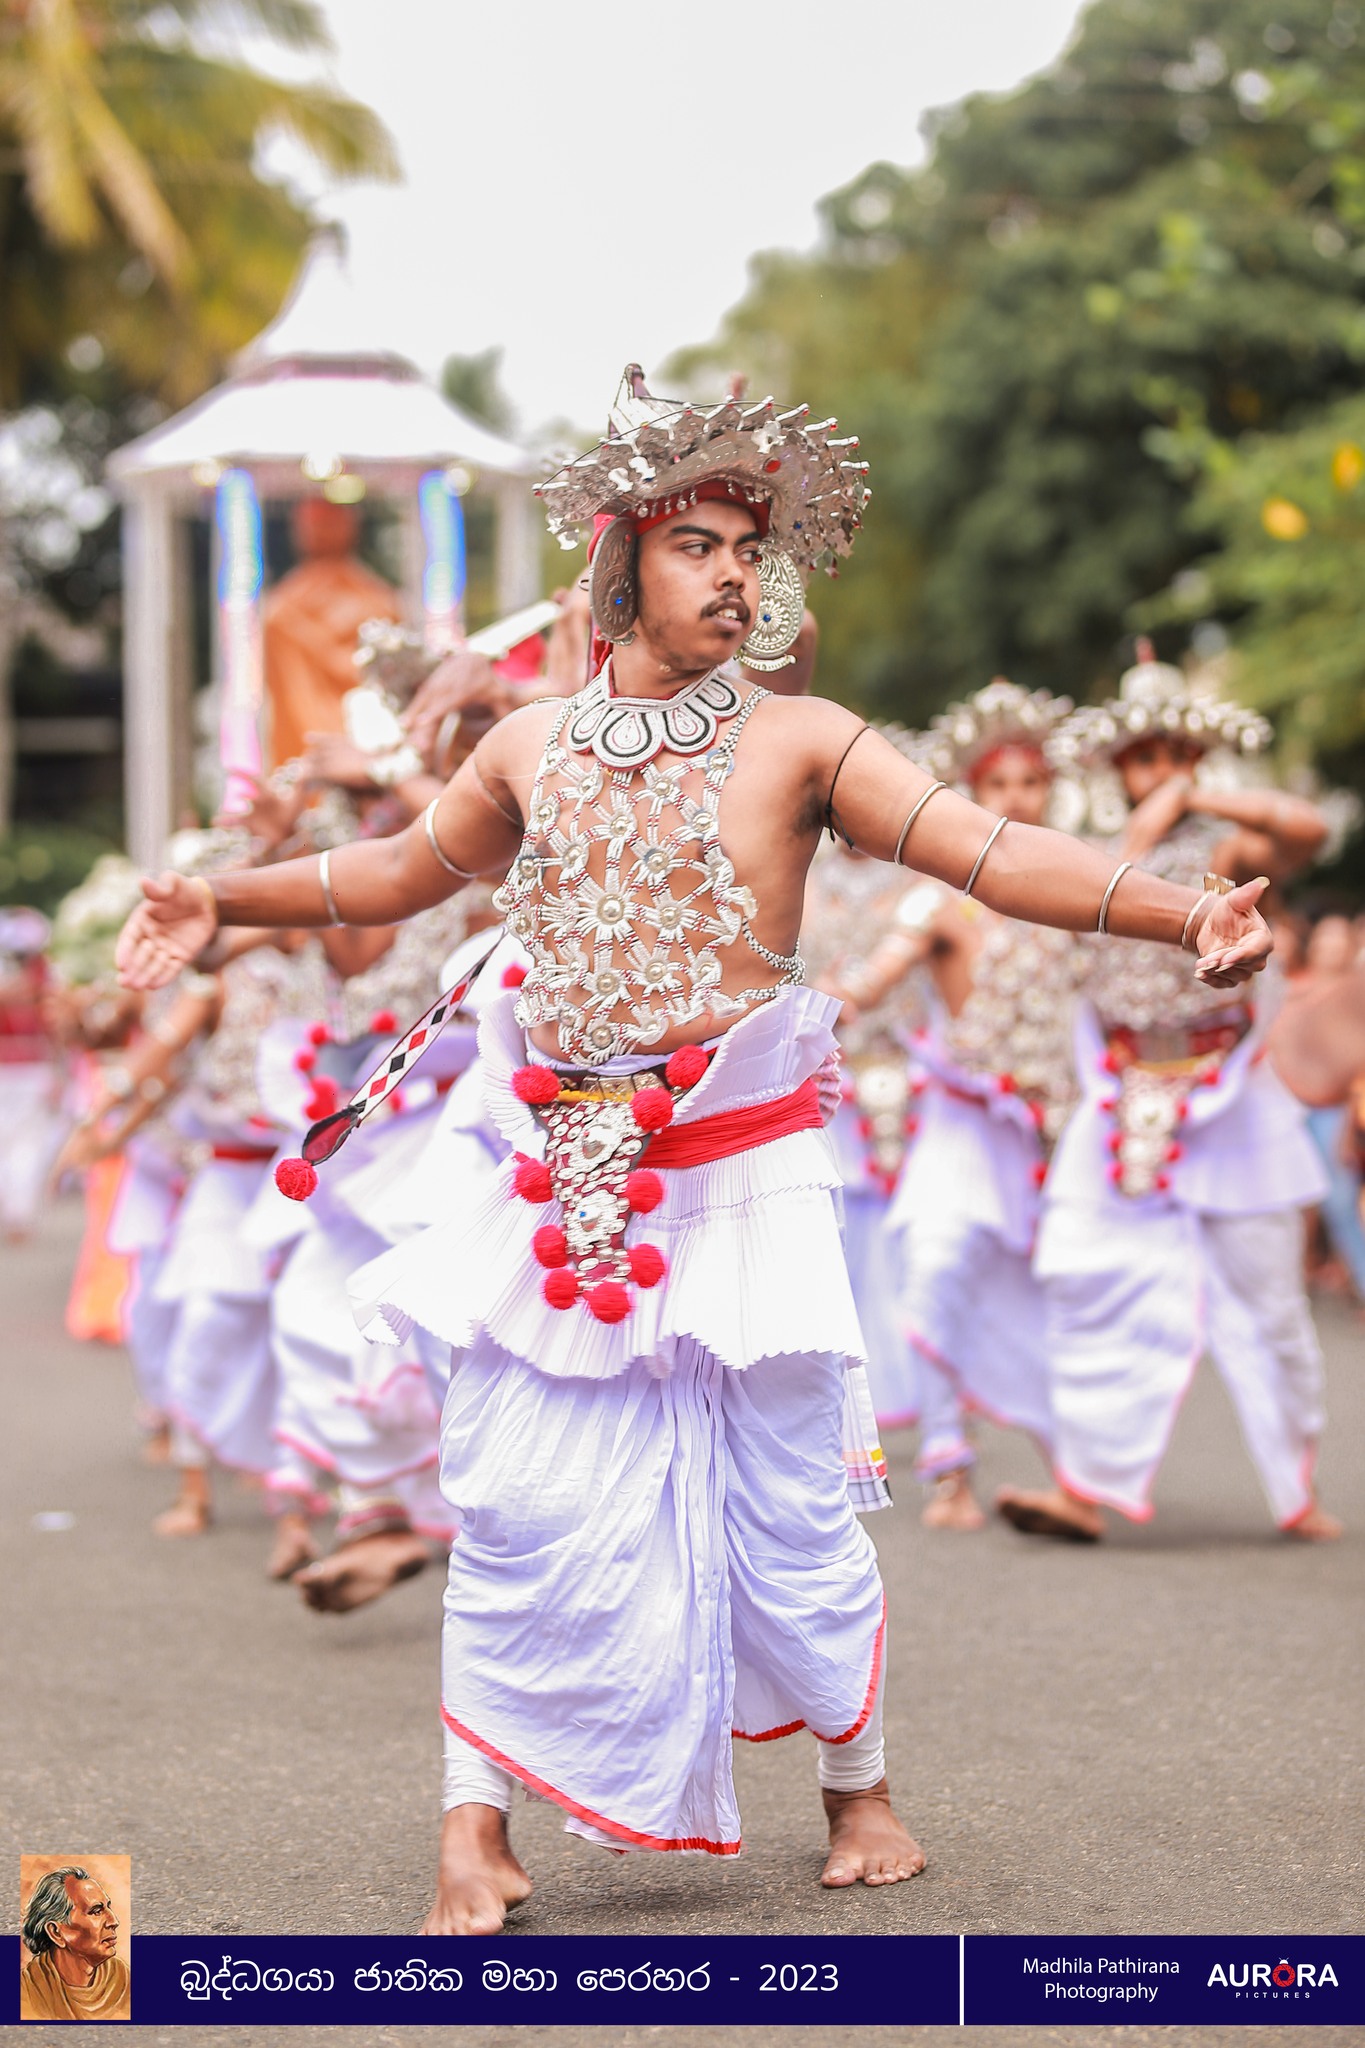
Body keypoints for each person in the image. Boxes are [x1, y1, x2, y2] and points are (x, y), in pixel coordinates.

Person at [117, 366, 1274, 1934]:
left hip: (743, 1168)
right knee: (515, 1496)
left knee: (787, 1509)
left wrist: (1181, 910)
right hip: (563, 1179)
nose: (734, 575)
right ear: (619, 567)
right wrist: (221, 901)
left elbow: (990, 853)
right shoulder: (528, 746)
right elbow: (388, 872)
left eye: (749, 549)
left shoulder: (805, 740)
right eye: (697, 546)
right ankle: (473, 1823)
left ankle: (857, 1789)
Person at [1000, 650, 1338, 1542]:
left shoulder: (1224, 851)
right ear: (1116, 769)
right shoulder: (1093, 855)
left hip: (1230, 1098)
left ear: (1194, 758)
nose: (1156, 770)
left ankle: (1295, 1491)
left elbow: (1305, 830)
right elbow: (1074, 900)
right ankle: (1081, 1488)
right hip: (1119, 1094)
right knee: (1082, 1276)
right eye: (1141, 757)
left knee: (1269, 1308)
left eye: (1172, 754)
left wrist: (1202, 795)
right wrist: (1145, 824)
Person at [837, 683, 1085, 1530]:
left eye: (1031, 781)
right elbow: (875, 976)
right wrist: (826, 1000)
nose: (1016, 798)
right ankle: (948, 1465)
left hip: (1058, 1131)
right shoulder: (937, 902)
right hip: (959, 1123)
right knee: (936, 1266)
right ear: (971, 795)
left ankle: (1078, 1477)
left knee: (1065, 1296)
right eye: (997, 783)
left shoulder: (1075, 892)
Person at [263, 497, 401, 769]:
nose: (317, 531)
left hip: (360, 742)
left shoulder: (374, 599)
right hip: (310, 740)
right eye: (313, 523)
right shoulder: (284, 608)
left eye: (328, 523)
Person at [20, 1867, 129, 2022]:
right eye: (96, 1911)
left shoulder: (123, 1979)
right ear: (56, 1932)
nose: (113, 1921)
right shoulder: (27, 1993)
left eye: (108, 1907)